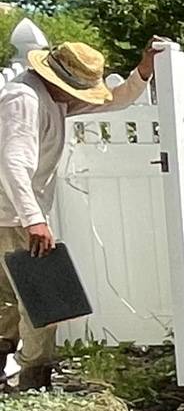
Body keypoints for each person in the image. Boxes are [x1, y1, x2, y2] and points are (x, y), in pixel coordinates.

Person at [0, 39, 160, 392]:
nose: (82, 98)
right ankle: (33, 383)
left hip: (13, 215)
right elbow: (12, 163)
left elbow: (112, 100)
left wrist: (143, 71)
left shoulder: (51, 97)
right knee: (43, 298)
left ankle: (20, 378)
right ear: (58, 80)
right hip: (13, 216)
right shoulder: (24, 100)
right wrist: (34, 220)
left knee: (11, 299)